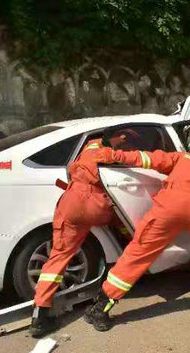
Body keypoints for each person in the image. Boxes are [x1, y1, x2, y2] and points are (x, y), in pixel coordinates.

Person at [83, 146, 190, 331]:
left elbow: (146, 158)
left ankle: (101, 309)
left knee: (140, 252)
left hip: (172, 205)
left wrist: (114, 155)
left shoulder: (185, 158)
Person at [29, 129, 138, 338]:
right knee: (120, 217)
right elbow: (131, 160)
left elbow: (72, 170)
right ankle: (128, 251)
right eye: (125, 140)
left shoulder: (90, 147)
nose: (125, 143)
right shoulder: (110, 154)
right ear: (120, 137)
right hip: (98, 203)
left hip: (72, 201)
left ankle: (39, 317)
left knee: (58, 256)